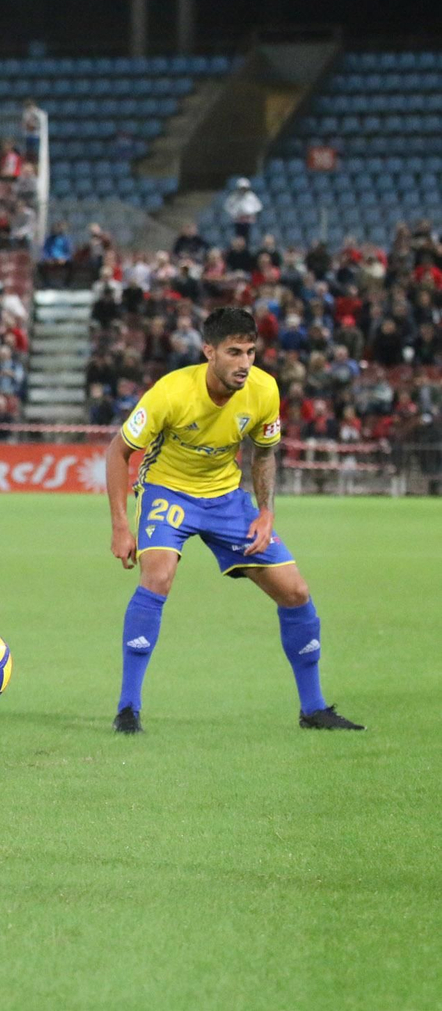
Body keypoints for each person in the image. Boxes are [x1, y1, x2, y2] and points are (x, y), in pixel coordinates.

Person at [104, 307, 363, 735]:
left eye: (250, 352)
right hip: (169, 491)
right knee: (158, 577)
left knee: (295, 591)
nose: (245, 363)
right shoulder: (171, 392)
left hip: (226, 499)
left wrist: (266, 512)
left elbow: (264, 453)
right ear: (209, 351)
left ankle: (314, 709)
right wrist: (119, 525)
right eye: (234, 352)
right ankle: (128, 709)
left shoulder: (264, 390)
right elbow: (118, 451)